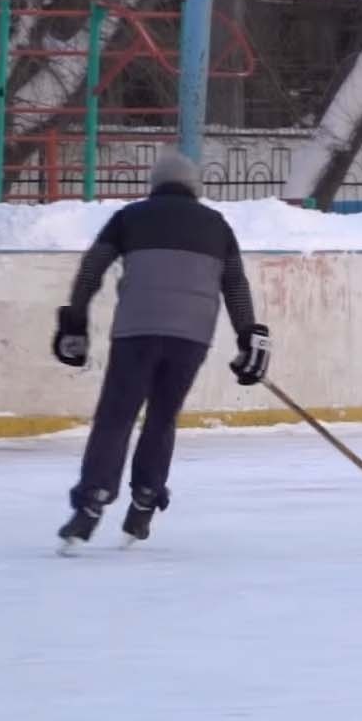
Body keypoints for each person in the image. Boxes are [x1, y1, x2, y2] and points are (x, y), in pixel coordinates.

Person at [52, 150, 272, 553]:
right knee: (162, 417)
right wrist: (249, 337)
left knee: (116, 417)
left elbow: (91, 270)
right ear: (195, 187)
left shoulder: (130, 217)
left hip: (136, 331)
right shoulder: (217, 225)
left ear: (154, 185)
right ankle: (145, 499)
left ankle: (92, 502)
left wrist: (75, 322)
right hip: (191, 338)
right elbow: (235, 285)